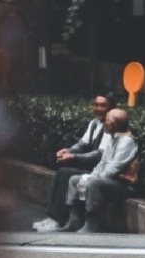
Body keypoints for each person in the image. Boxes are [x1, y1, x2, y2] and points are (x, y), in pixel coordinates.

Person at [33, 92, 113, 232]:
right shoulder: (94, 123)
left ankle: (60, 221)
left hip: (98, 170)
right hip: (91, 167)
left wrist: (73, 157)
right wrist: (67, 151)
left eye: (103, 105)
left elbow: (99, 154)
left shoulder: (110, 126)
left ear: (110, 107)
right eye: (96, 105)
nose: (99, 109)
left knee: (67, 174)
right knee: (62, 172)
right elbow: (82, 144)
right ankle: (53, 217)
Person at [63, 107, 138, 234]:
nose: (104, 123)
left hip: (123, 185)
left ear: (113, 125)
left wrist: (91, 180)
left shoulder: (127, 141)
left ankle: (91, 225)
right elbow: (102, 163)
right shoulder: (113, 137)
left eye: (107, 121)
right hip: (108, 181)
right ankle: (74, 221)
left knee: (93, 183)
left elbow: (113, 168)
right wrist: (90, 176)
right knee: (74, 179)